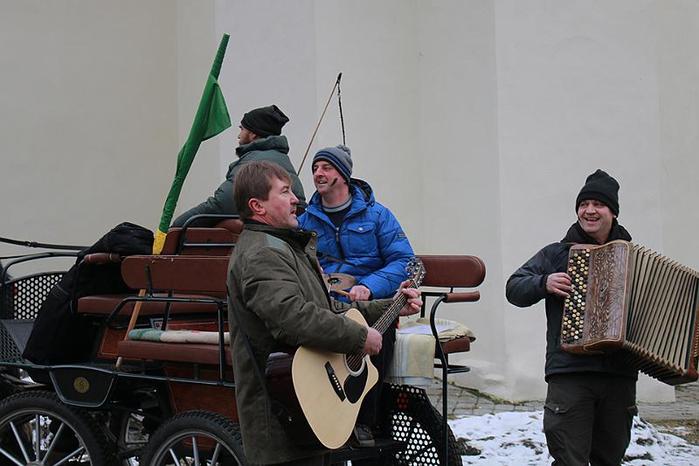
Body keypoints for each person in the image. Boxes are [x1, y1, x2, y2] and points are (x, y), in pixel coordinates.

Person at [227, 160, 421, 465]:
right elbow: (293, 318)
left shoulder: (285, 246)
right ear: (257, 206)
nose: (295, 199)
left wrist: (392, 307)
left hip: (307, 415)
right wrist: (359, 338)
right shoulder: (262, 253)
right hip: (281, 422)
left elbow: (329, 308)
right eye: (285, 192)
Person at [506, 169, 637, 466]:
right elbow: (513, 288)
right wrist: (544, 282)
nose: (589, 210)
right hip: (570, 373)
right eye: (584, 204)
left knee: (609, 461)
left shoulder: (635, 259)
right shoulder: (556, 254)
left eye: (598, 204)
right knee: (569, 461)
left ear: (613, 212)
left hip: (619, 375)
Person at [297, 145, 414, 446]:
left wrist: (370, 286)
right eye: (315, 168)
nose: (318, 174)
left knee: (378, 335)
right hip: (327, 303)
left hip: (369, 304)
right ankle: (323, 416)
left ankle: (365, 421)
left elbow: (404, 261)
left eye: (326, 167)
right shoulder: (305, 221)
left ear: (343, 174)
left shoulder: (377, 215)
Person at [172, 105, 306, 227]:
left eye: (242, 129)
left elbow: (222, 204)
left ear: (253, 134)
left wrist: (177, 226)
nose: (239, 135)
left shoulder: (254, 164)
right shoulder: (280, 158)